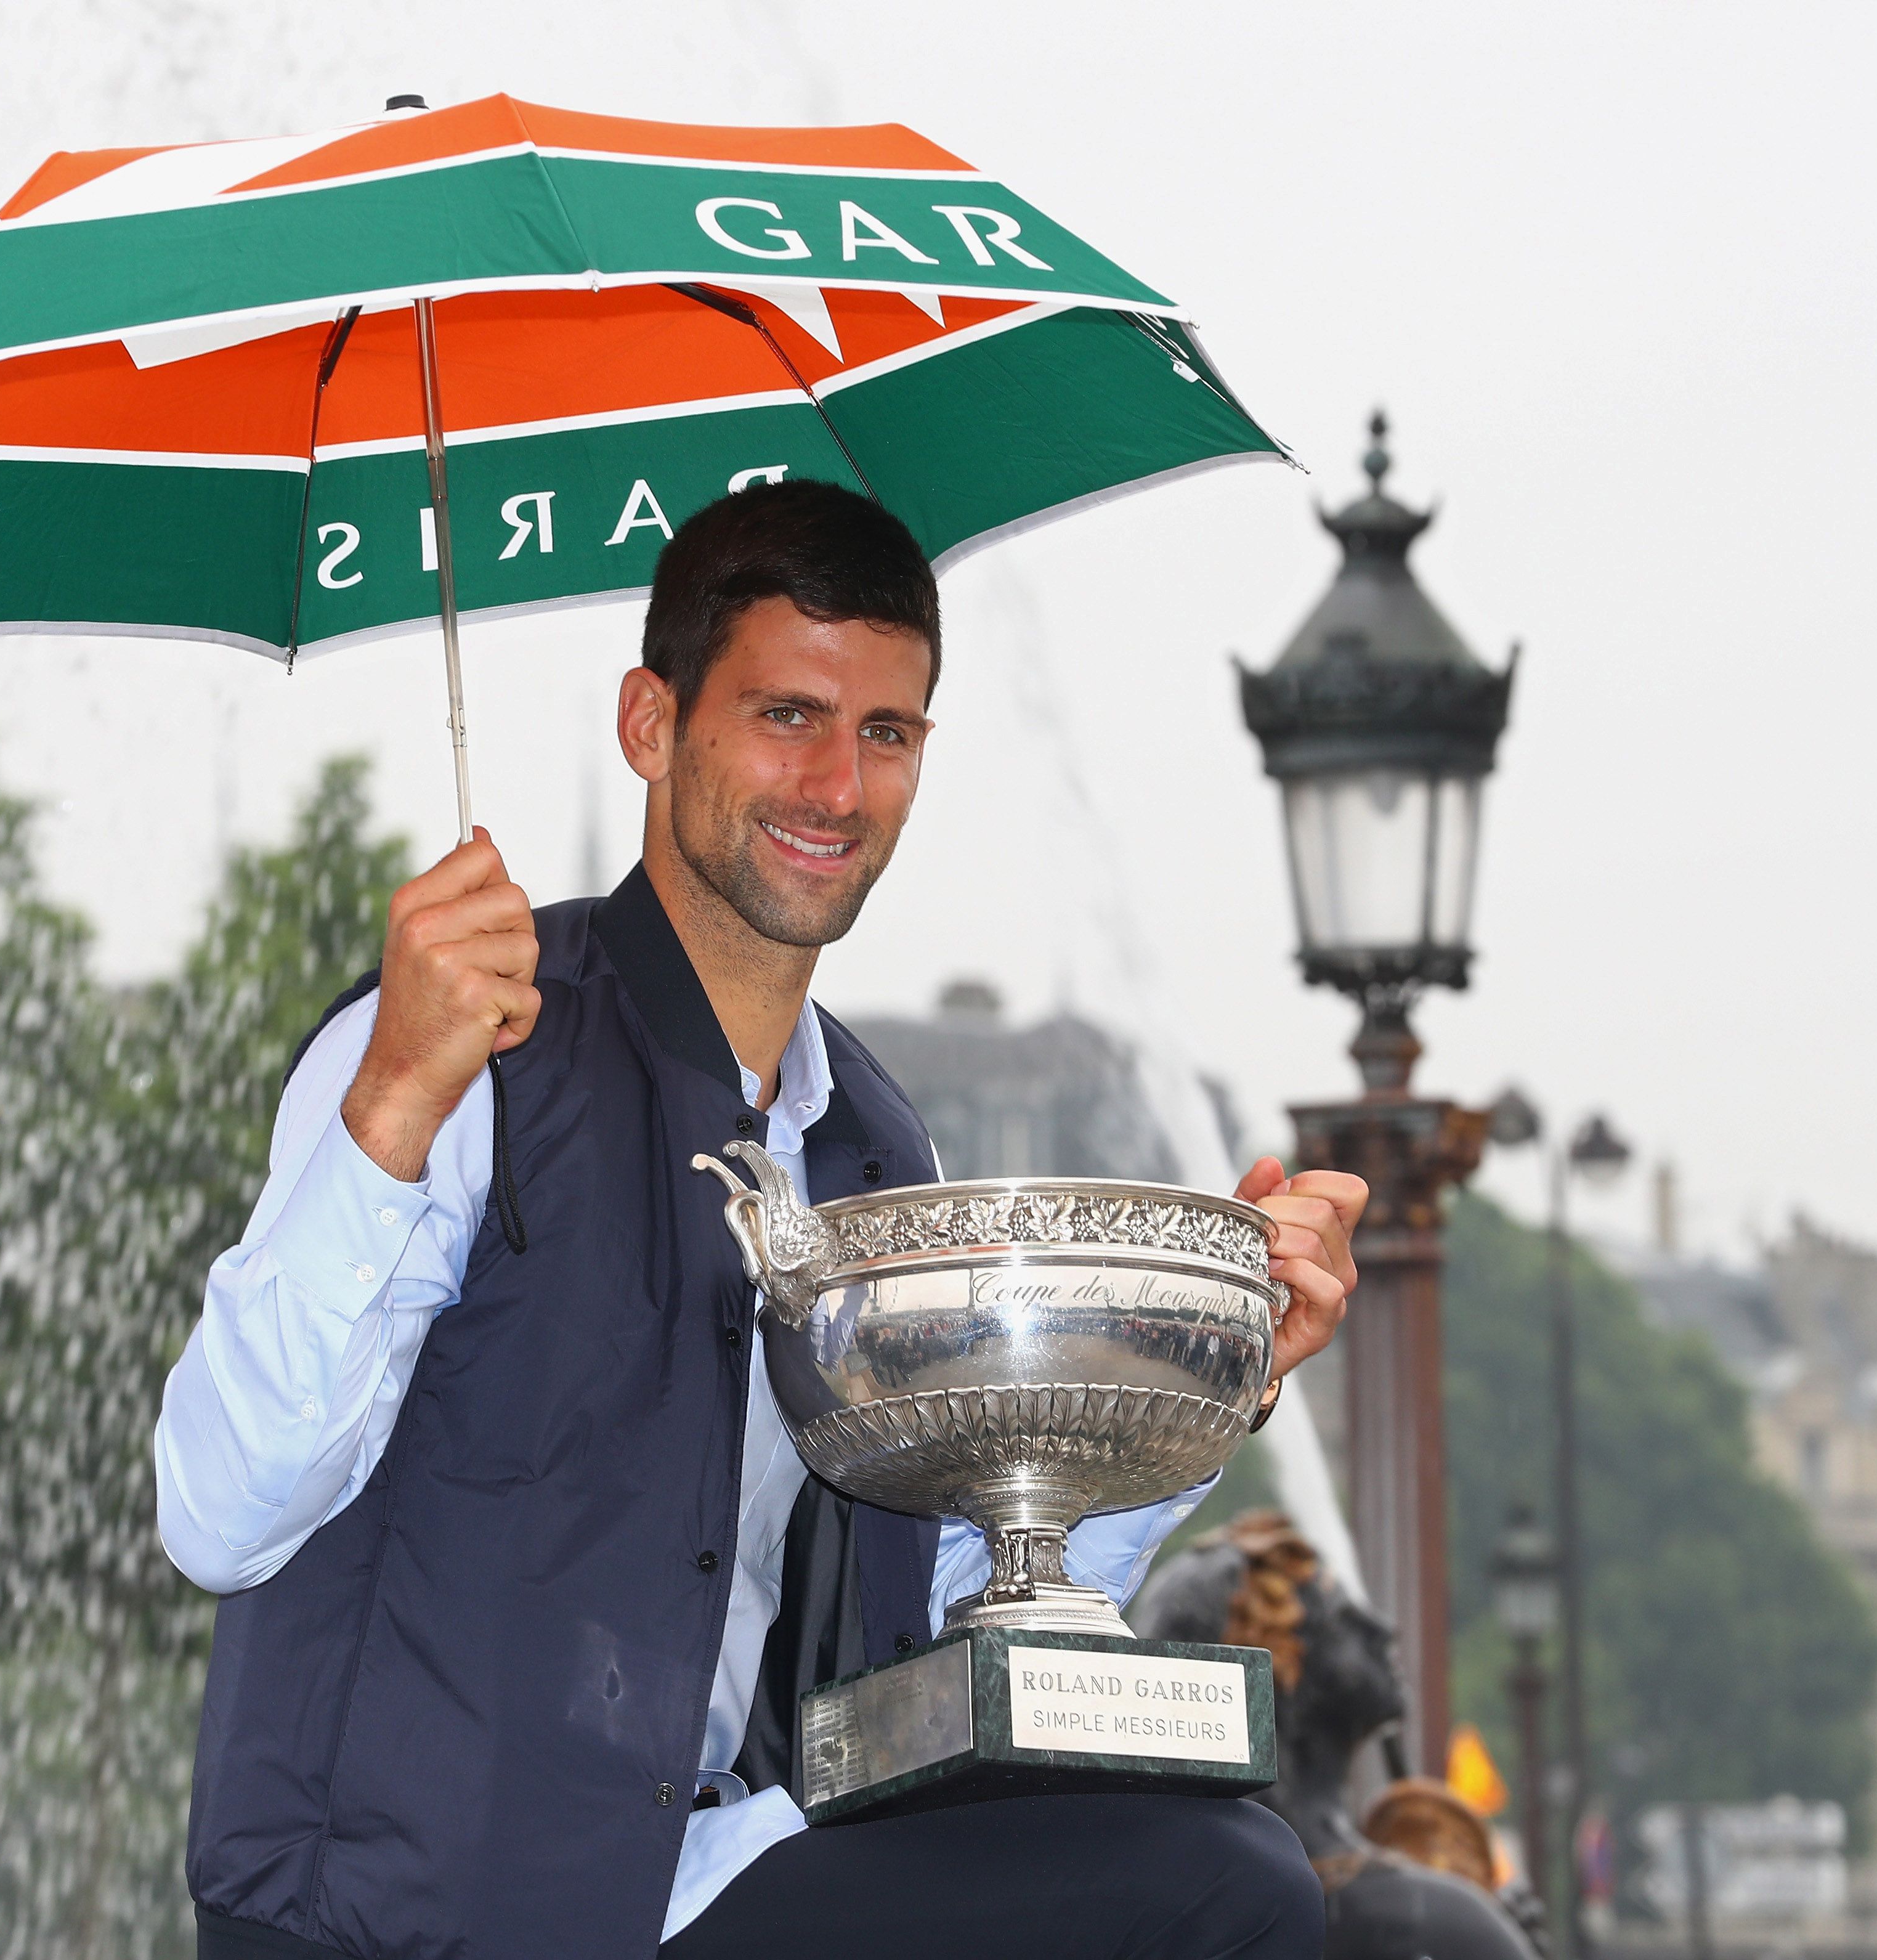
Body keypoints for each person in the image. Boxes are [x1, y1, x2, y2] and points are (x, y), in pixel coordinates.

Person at [155, 480, 1369, 1960]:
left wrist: (1204, 1363)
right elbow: (220, 1516)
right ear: (652, 726)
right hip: (404, 1918)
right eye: (787, 715)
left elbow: (935, 1614)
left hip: (711, 1876)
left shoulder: (868, 1138)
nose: (836, 788)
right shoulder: (443, 1053)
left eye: (886, 734)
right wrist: (393, 1108)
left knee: (1225, 1874)